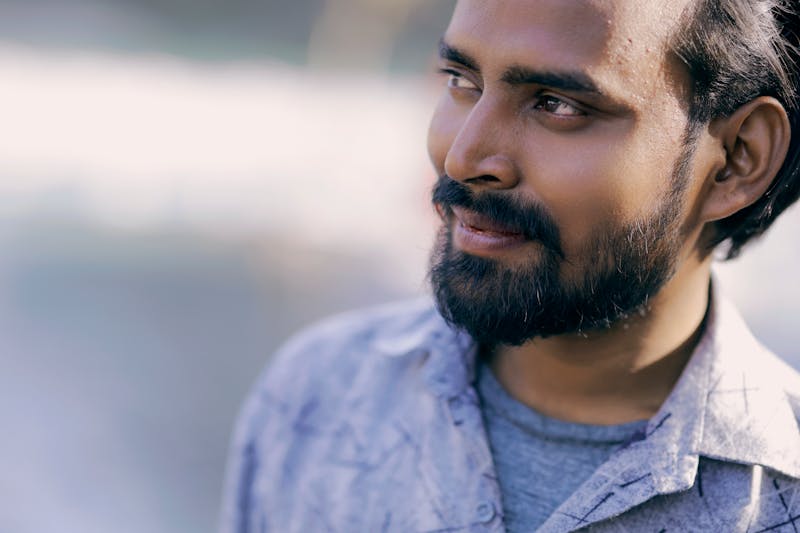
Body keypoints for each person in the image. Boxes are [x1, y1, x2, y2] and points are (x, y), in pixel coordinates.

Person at [221, 0, 800, 531]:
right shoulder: (317, 397)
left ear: (737, 160)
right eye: (461, 81)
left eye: (558, 105)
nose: (462, 156)